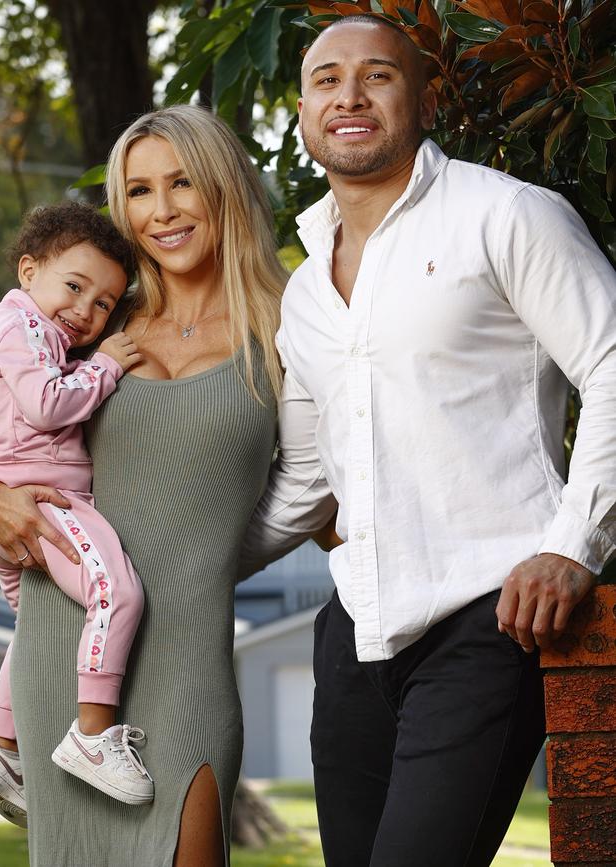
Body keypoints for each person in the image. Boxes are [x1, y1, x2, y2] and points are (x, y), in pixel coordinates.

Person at [239, 15, 616, 867]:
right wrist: (176, 570)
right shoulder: (304, 293)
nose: (350, 95)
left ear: (424, 96)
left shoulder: (508, 215)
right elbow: (303, 483)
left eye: (377, 75)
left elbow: (613, 361)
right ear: (303, 109)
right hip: (352, 635)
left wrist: (574, 545)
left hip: (490, 614)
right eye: (327, 78)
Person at [0, 104, 286, 867]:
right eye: (138, 191)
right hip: (60, 650)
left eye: (183, 183)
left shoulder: (287, 326)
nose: (162, 210)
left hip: (189, 658)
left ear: (225, 188)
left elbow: (322, 486)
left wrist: (212, 559)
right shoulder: (91, 324)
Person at [0, 202, 155, 826]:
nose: (85, 311)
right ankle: (92, 735)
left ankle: (4, 750)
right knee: (117, 593)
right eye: (74, 287)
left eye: (104, 303)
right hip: (40, 503)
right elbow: (47, 406)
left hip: (11, 511)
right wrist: (104, 366)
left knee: (33, 633)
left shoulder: (34, 333)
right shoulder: (18, 326)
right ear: (28, 271)